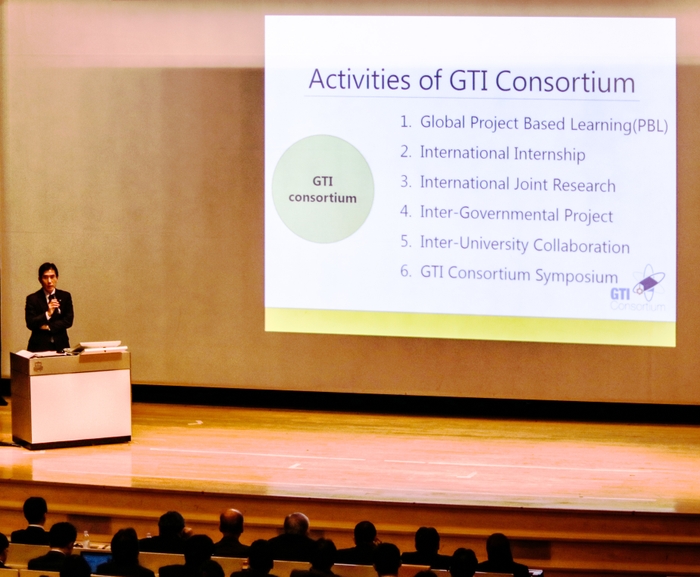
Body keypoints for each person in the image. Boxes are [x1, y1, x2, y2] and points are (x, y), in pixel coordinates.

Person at [25, 262, 74, 352]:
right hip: (39, 346)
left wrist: (48, 327)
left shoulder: (65, 296)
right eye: (45, 277)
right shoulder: (33, 299)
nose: (49, 281)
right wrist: (47, 314)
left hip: (61, 344)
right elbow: (31, 323)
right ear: (40, 279)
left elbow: (68, 321)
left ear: (57, 278)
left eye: (52, 277)